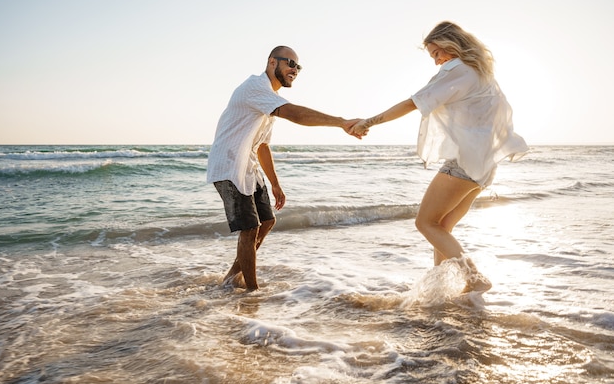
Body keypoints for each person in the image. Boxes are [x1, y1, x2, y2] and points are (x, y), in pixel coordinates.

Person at [349, 22, 528, 293]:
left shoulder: (457, 70)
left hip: (464, 164)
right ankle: (440, 288)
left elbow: (414, 102)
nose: (436, 61)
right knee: (442, 226)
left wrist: (369, 122)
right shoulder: (482, 74)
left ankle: (474, 278)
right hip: (483, 166)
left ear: (450, 45)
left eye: (436, 54)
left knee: (425, 223)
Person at [207, 45, 364, 291]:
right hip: (227, 164)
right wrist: (341, 122)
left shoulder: (268, 98)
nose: (295, 69)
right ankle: (251, 292)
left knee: (267, 221)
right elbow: (294, 114)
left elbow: (262, 146)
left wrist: (275, 183)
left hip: (247, 165)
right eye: (290, 63)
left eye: (298, 66)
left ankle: (231, 278)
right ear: (272, 62)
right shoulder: (255, 87)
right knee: (250, 228)